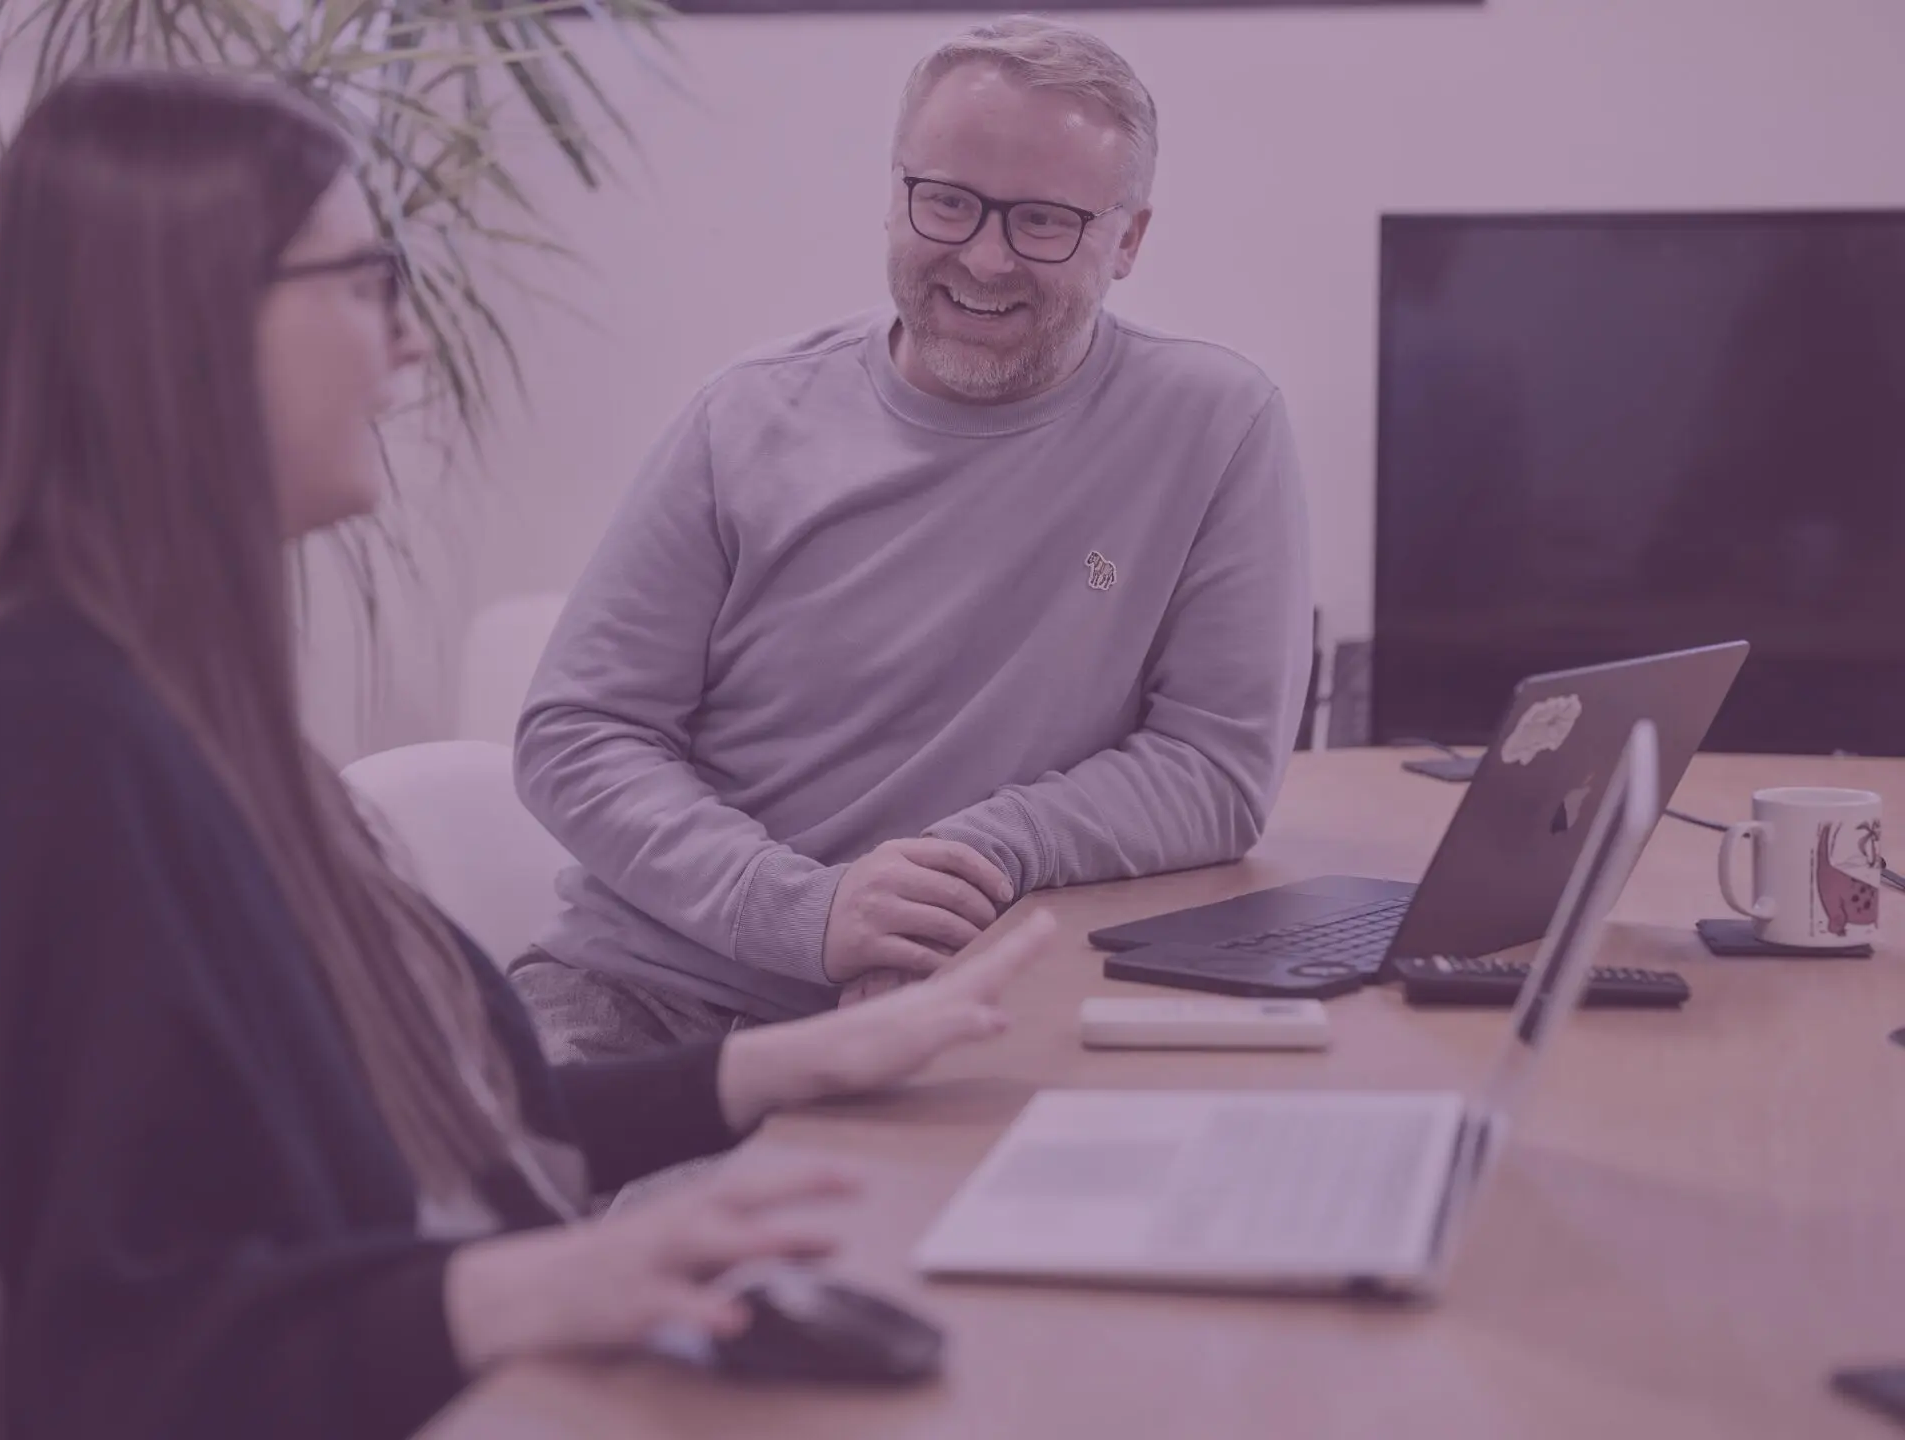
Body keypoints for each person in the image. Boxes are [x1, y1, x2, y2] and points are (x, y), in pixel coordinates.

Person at [0, 68, 1055, 1440]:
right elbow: (118, 1370)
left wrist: (777, 1071)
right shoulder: (57, 740)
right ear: (190, 318)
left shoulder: (195, 717)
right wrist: (527, 1291)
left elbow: (435, 1135)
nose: (410, 346)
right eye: (367, 281)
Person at [512, 14, 1314, 1060]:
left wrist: (958, 868)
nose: (983, 259)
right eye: (947, 203)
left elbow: (1212, 767)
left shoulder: (1213, 425)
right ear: (895, 196)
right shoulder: (747, 419)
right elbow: (577, 735)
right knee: (526, 1218)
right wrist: (806, 913)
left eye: (1043, 221)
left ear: (1129, 239)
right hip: (646, 994)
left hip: (956, 1000)